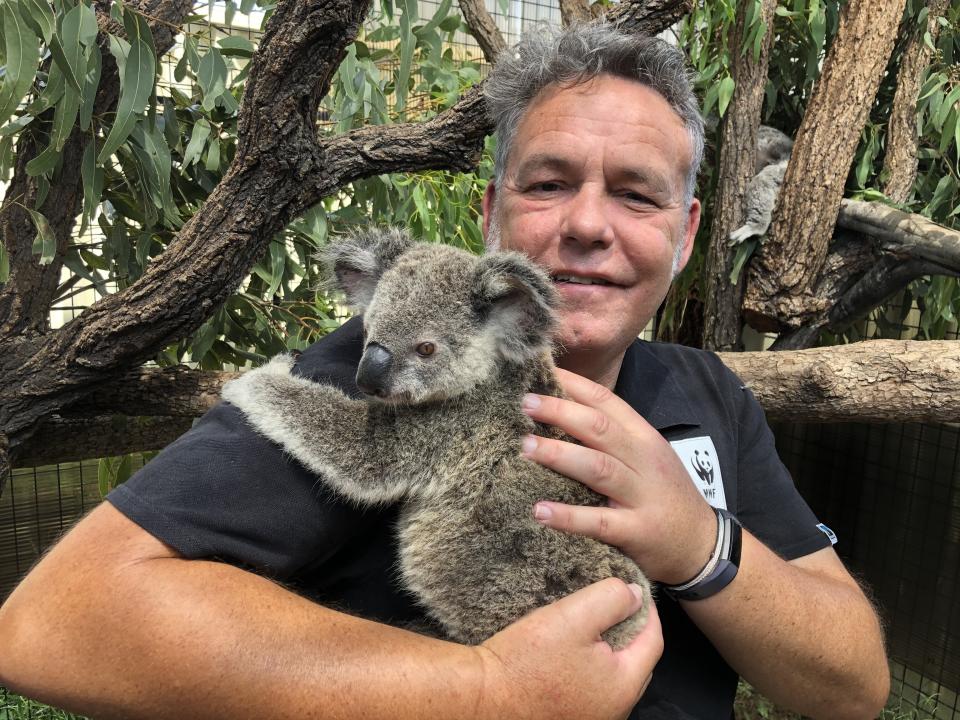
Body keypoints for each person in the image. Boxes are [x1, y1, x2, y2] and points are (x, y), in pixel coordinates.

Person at [0, 24, 888, 720]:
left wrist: (700, 542)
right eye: (548, 183)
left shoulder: (708, 393)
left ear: (688, 232)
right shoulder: (372, 373)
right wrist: (486, 693)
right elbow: (53, 625)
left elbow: (853, 688)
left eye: (635, 192)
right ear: (494, 212)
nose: (587, 224)